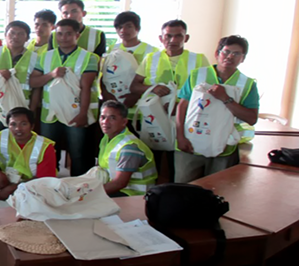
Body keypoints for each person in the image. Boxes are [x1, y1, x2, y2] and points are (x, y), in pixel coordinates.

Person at [129, 19, 210, 182]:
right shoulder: (151, 58)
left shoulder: (199, 60)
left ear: (186, 38)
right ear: (161, 38)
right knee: (155, 156)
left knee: (179, 161)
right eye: (168, 36)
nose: (172, 40)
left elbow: (207, 91)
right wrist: (152, 88)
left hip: (185, 118)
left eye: (178, 36)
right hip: (155, 117)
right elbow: (134, 86)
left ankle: (174, 193)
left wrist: (181, 105)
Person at [174, 36, 259, 183]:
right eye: (226, 52)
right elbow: (182, 107)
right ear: (217, 54)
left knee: (216, 189)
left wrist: (226, 99)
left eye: (236, 53)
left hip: (224, 147)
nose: (230, 56)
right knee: (183, 187)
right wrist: (180, 136)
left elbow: (251, 118)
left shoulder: (247, 84)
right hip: (191, 142)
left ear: (243, 58)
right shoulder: (197, 74)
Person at [30, 19, 100, 177]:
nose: (63, 38)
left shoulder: (89, 57)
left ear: (77, 35)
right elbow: (34, 82)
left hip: (75, 112)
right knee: (46, 153)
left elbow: (86, 88)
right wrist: (51, 74)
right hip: (50, 114)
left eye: (69, 34)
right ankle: (47, 186)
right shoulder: (46, 57)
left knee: (78, 153)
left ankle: (79, 189)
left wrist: (83, 113)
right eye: (60, 34)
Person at [0, 107, 57, 201]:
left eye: (23, 124)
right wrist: (0, 175)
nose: (18, 129)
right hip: (6, 176)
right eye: (13, 124)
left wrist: (11, 188)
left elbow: (44, 179)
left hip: (30, 182)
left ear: (32, 126)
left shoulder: (44, 146)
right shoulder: (1, 136)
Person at [97, 101, 157, 196]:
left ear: (124, 122)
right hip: (120, 190)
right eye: (103, 117)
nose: (105, 122)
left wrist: (90, 193)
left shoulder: (129, 146)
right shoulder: (107, 139)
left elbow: (119, 183)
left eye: (112, 118)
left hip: (134, 195)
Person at [103, 11, 157, 115]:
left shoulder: (151, 51)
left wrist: (135, 95)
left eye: (128, 26)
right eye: (119, 27)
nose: (123, 30)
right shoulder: (112, 49)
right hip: (115, 104)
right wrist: (106, 94)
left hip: (141, 105)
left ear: (137, 28)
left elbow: (152, 78)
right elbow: (104, 74)